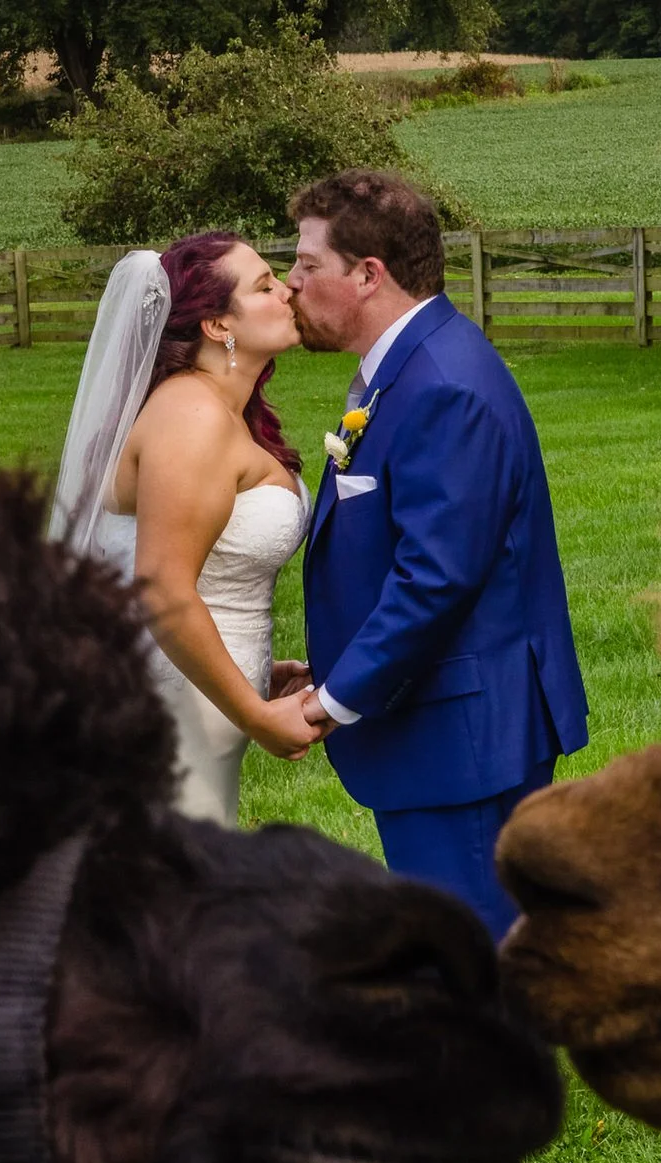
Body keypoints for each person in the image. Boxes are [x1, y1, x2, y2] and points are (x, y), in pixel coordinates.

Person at [284, 171, 590, 938]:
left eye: (307, 264)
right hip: (443, 726)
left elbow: (437, 579)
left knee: (476, 962)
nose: (290, 282)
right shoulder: (406, 366)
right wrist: (327, 667)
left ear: (367, 274)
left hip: (465, 739)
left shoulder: (442, 385)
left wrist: (331, 701)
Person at [48, 231, 322, 826]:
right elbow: (162, 588)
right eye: (264, 286)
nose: (287, 290)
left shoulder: (218, 410)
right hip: (170, 716)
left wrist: (255, 669)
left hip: (199, 700)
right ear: (218, 325)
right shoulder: (191, 415)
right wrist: (255, 713)